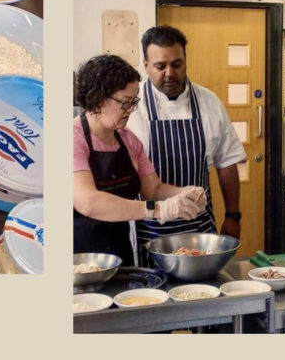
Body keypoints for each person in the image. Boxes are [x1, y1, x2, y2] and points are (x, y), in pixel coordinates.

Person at [73, 53, 206, 266]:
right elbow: (88, 202)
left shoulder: (128, 141)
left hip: (119, 257)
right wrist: (157, 210)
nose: (131, 109)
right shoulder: (73, 138)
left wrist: (184, 193)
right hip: (78, 261)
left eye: (133, 101)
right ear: (98, 98)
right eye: (125, 103)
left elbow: (152, 189)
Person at [127, 26, 245, 260]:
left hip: (199, 227)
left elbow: (227, 162)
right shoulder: (131, 105)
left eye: (177, 64)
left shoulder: (209, 102)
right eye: (160, 66)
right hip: (149, 226)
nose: (169, 73)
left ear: (186, 62)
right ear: (146, 65)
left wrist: (232, 215)